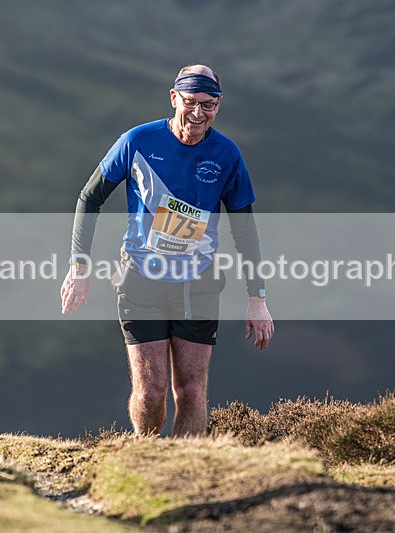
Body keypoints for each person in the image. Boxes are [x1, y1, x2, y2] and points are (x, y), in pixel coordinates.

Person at [60, 64, 273, 437]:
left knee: (191, 392)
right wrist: (79, 266)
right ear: (174, 98)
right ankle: (147, 456)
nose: (198, 113)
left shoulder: (227, 154)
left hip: (199, 284)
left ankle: (184, 471)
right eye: (190, 102)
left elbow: (245, 229)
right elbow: (88, 198)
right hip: (141, 281)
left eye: (209, 105)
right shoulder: (137, 141)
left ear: (218, 105)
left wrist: (258, 298)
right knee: (149, 395)